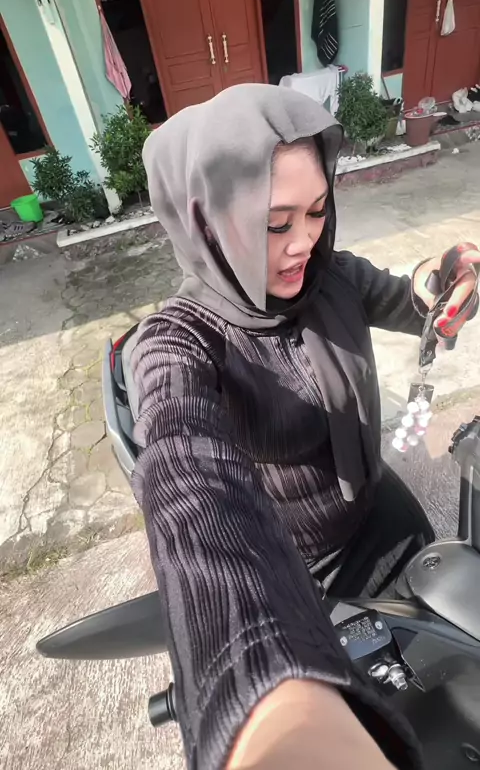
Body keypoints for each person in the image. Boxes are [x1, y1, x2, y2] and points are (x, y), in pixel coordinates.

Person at [131, 84, 479, 770]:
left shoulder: (329, 277)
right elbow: (184, 469)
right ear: (208, 220)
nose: (304, 242)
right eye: (274, 223)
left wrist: (444, 278)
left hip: (384, 513)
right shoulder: (178, 343)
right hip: (301, 573)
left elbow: (407, 297)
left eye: (317, 210)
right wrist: (262, 697)